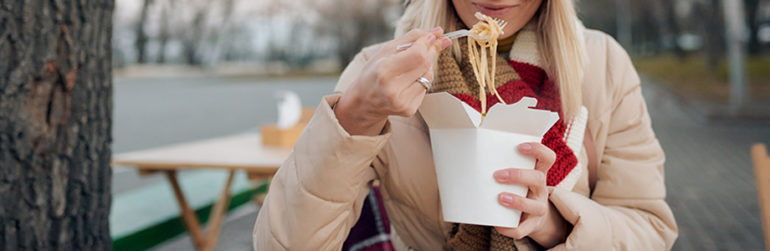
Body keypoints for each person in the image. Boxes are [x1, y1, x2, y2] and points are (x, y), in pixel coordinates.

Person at [253, 0, 678, 250]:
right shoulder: (378, 70)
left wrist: (555, 224)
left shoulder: (602, 64)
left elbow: (650, 229)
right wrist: (355, 117)